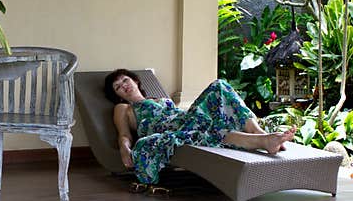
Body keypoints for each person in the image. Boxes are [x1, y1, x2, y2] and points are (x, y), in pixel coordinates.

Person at [104, 69, 295, 190]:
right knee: (212, 120)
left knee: (220, 86)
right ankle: (263, 140)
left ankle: (258, 132)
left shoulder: (160, 99)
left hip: (185, 120)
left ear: (136, 81)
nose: (124, 86)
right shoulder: (123, 109)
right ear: (118, 95)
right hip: (170, 131)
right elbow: (124, 135)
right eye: (118, 87)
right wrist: (124, 149)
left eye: (125, 80)